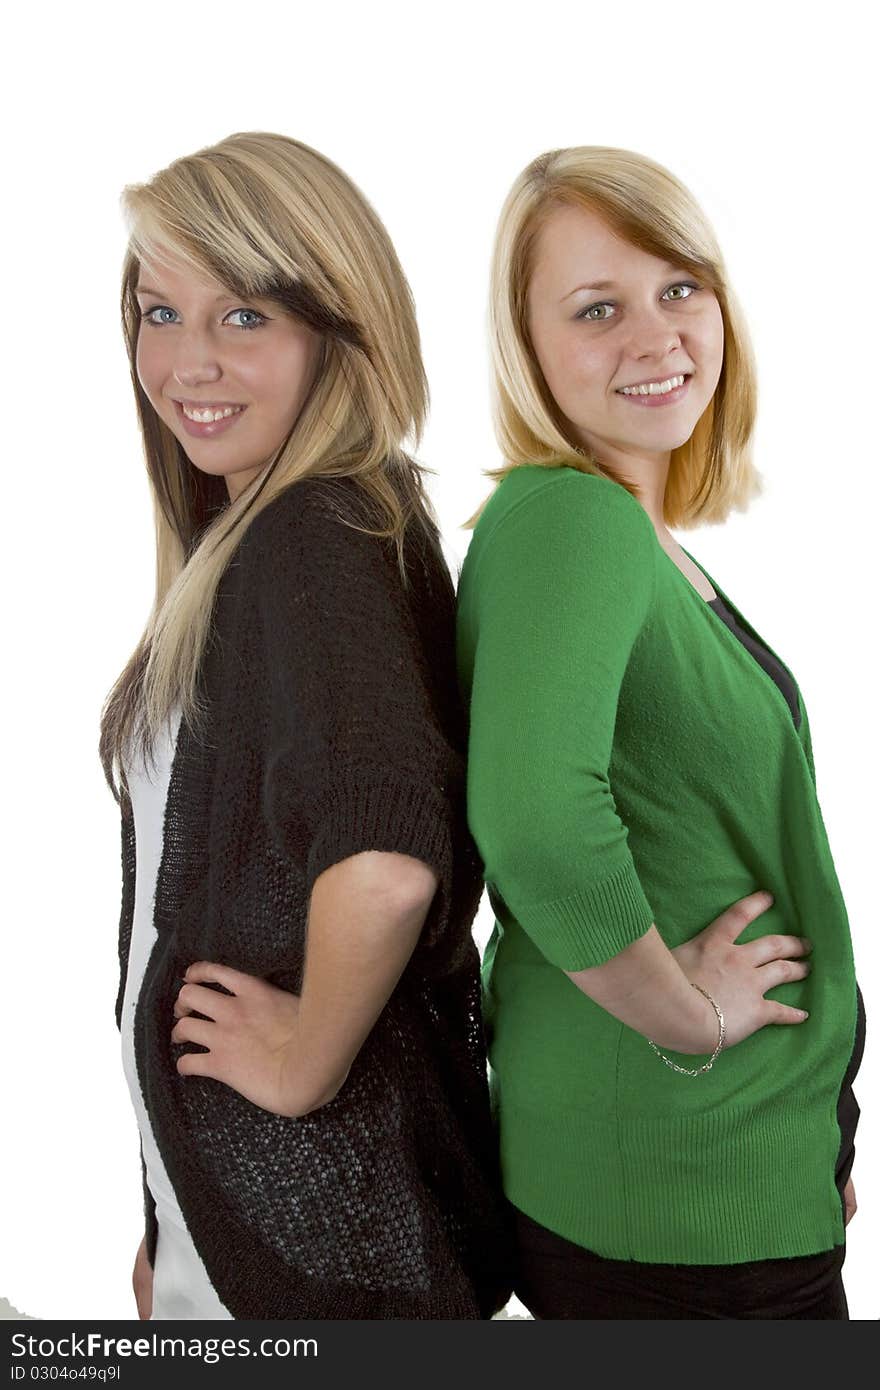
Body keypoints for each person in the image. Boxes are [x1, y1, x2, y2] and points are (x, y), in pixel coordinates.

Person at [100, 130, 513, 1320]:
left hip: (324, 1256)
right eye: (158, 310)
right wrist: (173, 1218)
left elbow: (383, 866)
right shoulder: (293, 528)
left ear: (337, 327)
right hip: (256, 1237)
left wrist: (300, 1057)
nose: (185, 361)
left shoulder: (313, 535)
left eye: (243, 318)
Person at [454, 145, 865, 1319]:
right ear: (526, 348)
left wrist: (804, 1134)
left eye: (679, 286)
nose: (657, 335)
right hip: (676, 1196)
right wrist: (691, 1018)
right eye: (597, 309)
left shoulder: (625, 536)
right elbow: (535, 818)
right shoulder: (572, 519)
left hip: (716, 1177)